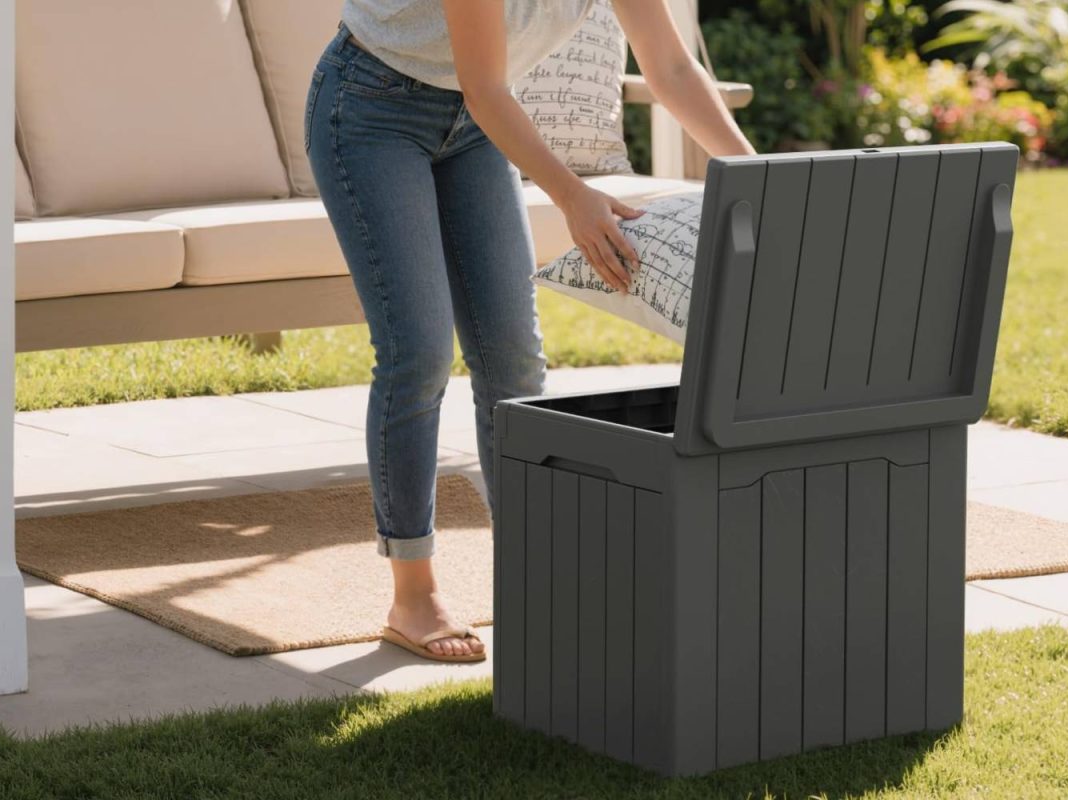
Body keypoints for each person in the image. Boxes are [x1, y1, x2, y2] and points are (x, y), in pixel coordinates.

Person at [305, 0, 755, 662]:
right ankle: (413, 596)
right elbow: (486, 85)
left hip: (475, 124)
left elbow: (671, 67)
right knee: (419, 354)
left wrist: (759, 178)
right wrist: (574, 197)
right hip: (372, 108)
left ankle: (536, 579)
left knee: (514, 362)